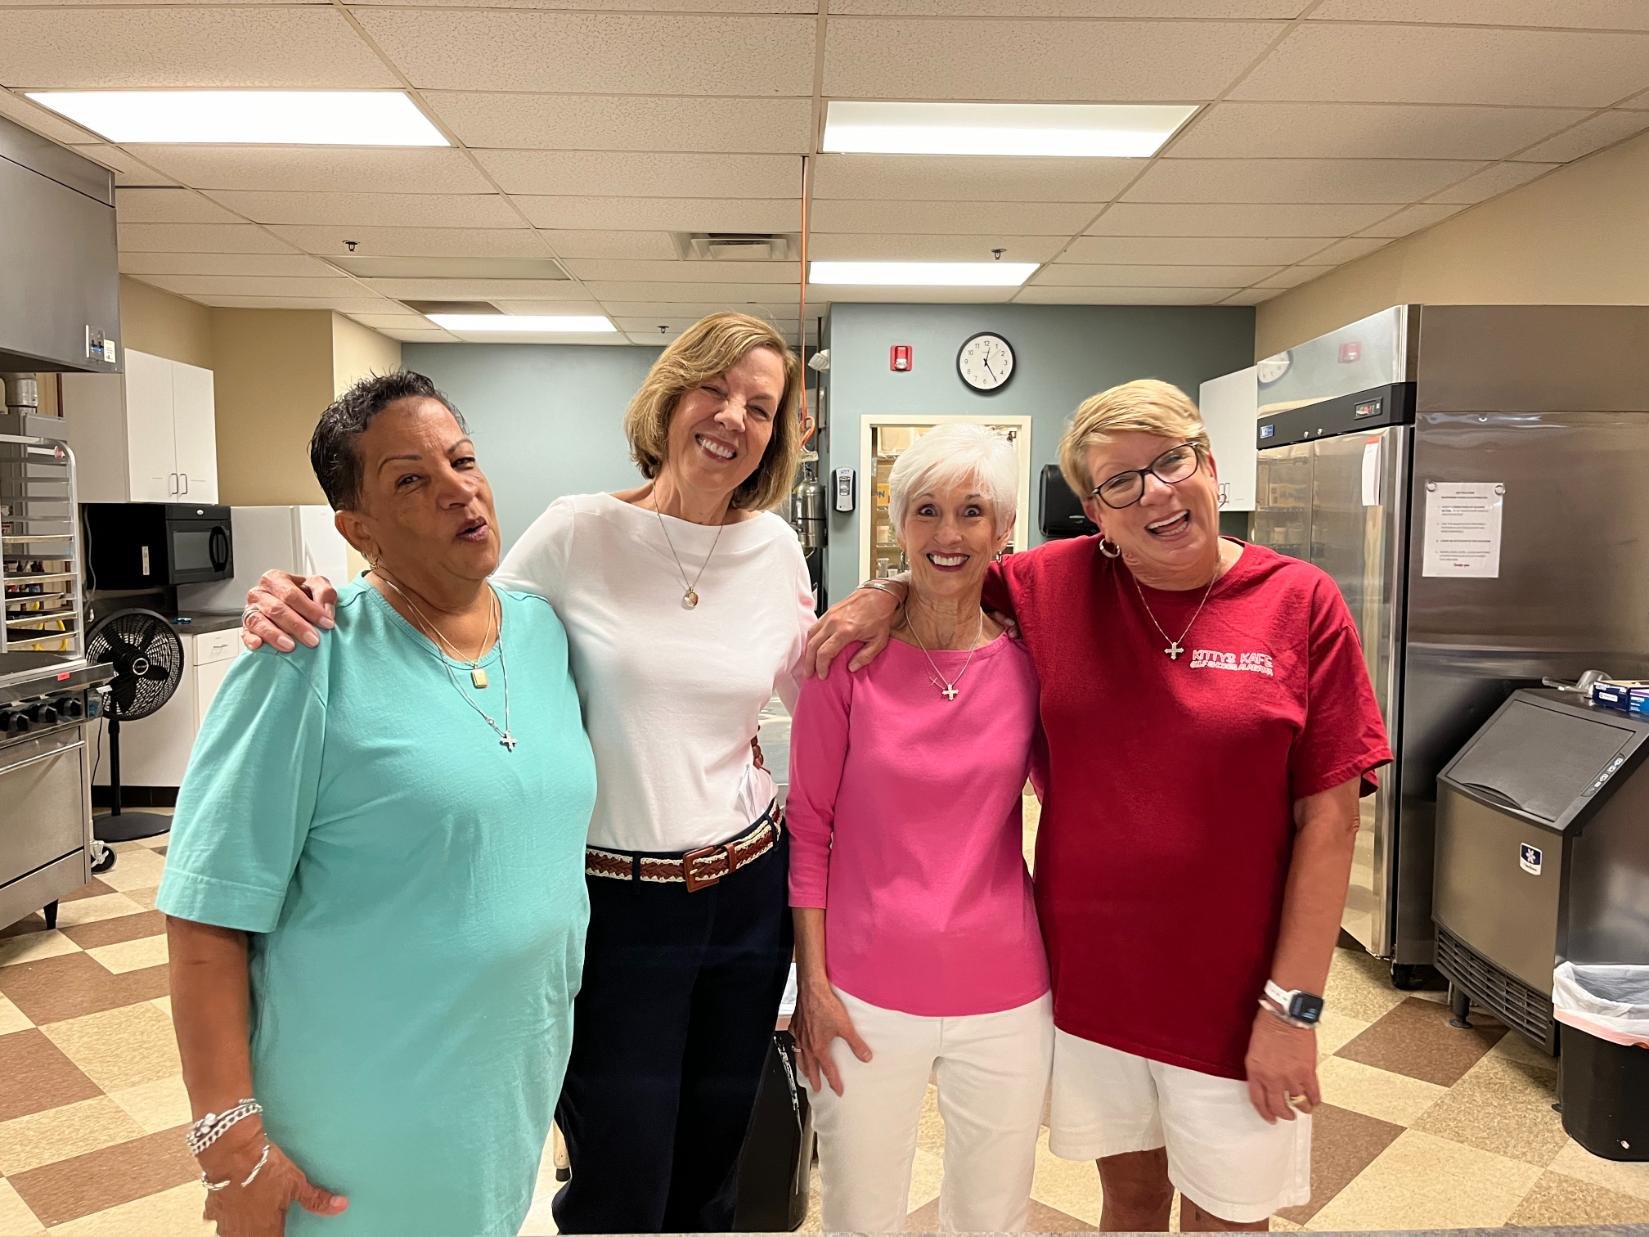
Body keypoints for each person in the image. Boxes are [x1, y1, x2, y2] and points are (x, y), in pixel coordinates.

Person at [240, 313, 816, 1234]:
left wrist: (895, 600)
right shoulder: (577, 531)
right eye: (713, 389)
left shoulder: (776, 549)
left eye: (759, 405)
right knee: (622, 1179)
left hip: (747, 892)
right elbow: (452, 607)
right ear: (670, 398)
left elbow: (820, 692)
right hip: (615, 903)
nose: (731, 418)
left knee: (716, 1170)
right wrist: (313, 594)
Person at [806, 379, 1393, 1232]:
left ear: (1210, 466)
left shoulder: (1298, 602)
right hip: (1092, 987)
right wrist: (881, 591)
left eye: (1171, 462)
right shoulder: (1053, 584)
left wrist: (1292, 1008)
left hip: (1236, 995)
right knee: (1129, 1201)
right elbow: (949, 565)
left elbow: (1331, 822)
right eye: (1120, 481)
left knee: (1228, 1217)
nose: (1154, 492)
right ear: (1094, 514)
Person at [159, 372, 597, 1237]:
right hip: (354, 1122)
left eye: (462, 460)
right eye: (410, 480)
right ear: (357, 528)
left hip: (500, 1097)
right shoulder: (303, 655)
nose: (457, 490)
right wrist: (231, 1147)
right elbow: (206, 913)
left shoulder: (544, 632)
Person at [787, 423, 1052, 1233]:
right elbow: (808, 829)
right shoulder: (843, 660)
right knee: (861, 1216)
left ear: (1003, 530)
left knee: (993, 1217)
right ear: (897, 524)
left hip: (1005, 991)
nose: (948, 533)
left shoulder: (1030, 665)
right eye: (926, 510)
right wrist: (813, 987)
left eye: (972, 511)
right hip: (862, 991)